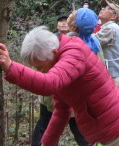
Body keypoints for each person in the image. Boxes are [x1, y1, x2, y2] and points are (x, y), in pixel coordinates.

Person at [0, 27, 119, 146]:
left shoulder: (74, 53)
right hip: (105, 132)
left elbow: (49, 83)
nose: (40, 72)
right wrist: (47, 143)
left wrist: (11, 68)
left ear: (54, 52)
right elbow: (61, 111)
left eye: (40, 67)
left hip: (118, 133)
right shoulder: (61, 66)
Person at [31, 16, 89, 146]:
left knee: (78, 128)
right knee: (45, 126)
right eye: (60, 21)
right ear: (56, 25)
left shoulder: (77, 41)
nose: (63, 24)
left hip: (70, 95)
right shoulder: (49, 42)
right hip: (50, 97)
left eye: (65, 21)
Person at [96, 0, 119, 91]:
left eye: (108, 8)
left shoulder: (111, 28)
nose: (103, 9)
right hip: (113, 77)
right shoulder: (109, 28)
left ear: (114, 16)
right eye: (103, 7)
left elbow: (90, 42)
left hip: (114, 79)